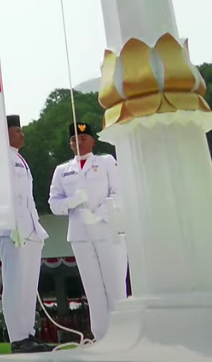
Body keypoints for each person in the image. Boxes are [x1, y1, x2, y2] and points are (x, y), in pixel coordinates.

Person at [48, 122, 125, 342]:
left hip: (106, 229)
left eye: (83, 138)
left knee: (114, 283)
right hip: (80, 233)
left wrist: (99, 214)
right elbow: (54, 203)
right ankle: (101, 336)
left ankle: (122, 332)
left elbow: (119, 193)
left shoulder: (106, 162)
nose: (78, 143)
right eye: (74, 139)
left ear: (93, 140)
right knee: (92, 287)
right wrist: (72, 201)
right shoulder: (63, 171)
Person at [0, 115, 53, 353]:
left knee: (29, 286)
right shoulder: (0, 158)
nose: (22, 134)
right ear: (6, 132)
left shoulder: (19, 158)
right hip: (12, 229)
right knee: (15, 284)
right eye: (17, 130)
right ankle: (17, 337)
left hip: (29, 229)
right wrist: (12, 222)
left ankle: (29, 333)